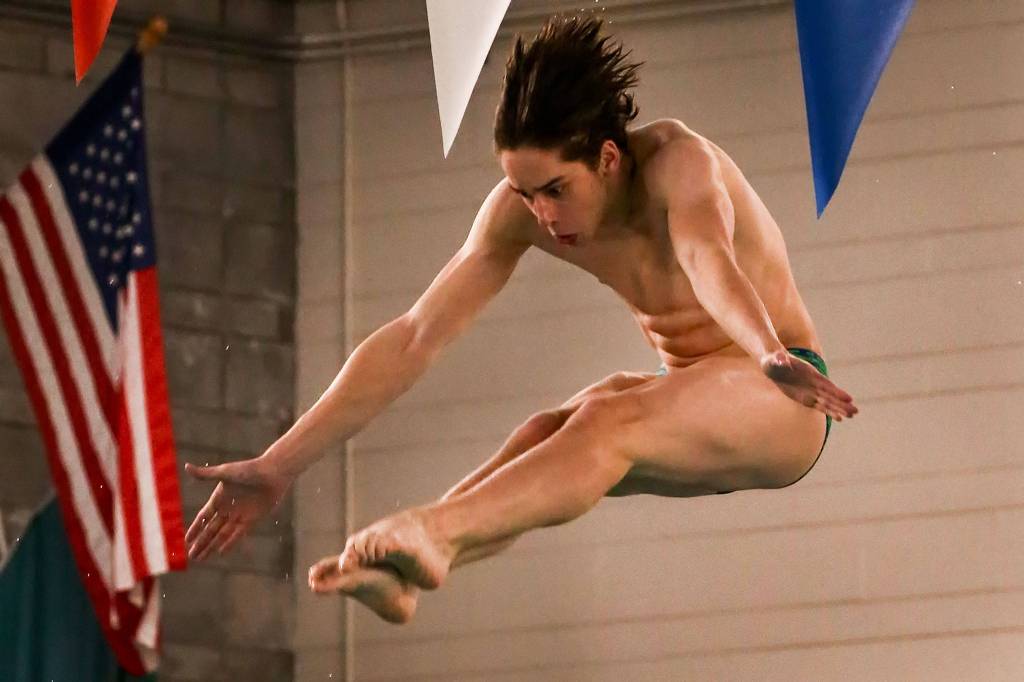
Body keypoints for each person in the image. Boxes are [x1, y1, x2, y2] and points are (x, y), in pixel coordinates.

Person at [184, 15, 858, 624]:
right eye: (523, 192)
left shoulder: (680, 167)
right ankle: (400, 571)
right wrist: (280, 464)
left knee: (603, 420)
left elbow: (707, 259)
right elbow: (414, 337)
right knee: (544, 436)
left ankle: (434, 535)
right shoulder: (523, 213)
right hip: (693, 396)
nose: (542, 215)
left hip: (784, 393)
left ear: (608, 158)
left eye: (556, 191)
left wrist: (769, 352)